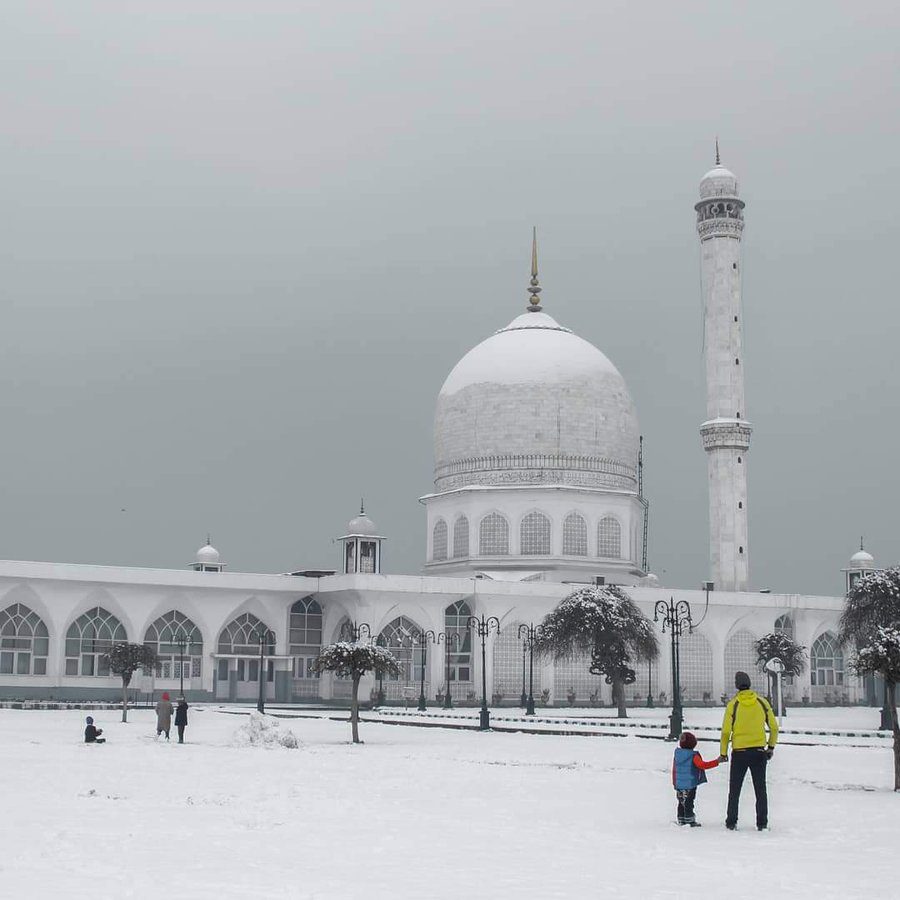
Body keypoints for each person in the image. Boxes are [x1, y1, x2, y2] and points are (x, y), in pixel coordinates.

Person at [720, 671, 779, 831]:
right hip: (759, 751)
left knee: (735, 789)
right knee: (760, 789)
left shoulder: (733, 704)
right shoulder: (762, 702)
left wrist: (723, 752)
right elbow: (774, 727)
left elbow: (726, 732)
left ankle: (731, 821)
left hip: (739, 752)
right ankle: (762, 823)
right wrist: (771, 747)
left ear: (736, 685)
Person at [672, 731, 720, 826]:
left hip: (679, 784)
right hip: (690, 784)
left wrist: (674, 782)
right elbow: (702, 765)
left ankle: (681, 818)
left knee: (681, 802)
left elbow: (674, 769)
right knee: (689, 802)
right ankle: (690, 820)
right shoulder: (693, 756)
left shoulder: (677, 754)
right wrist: (716, 762)